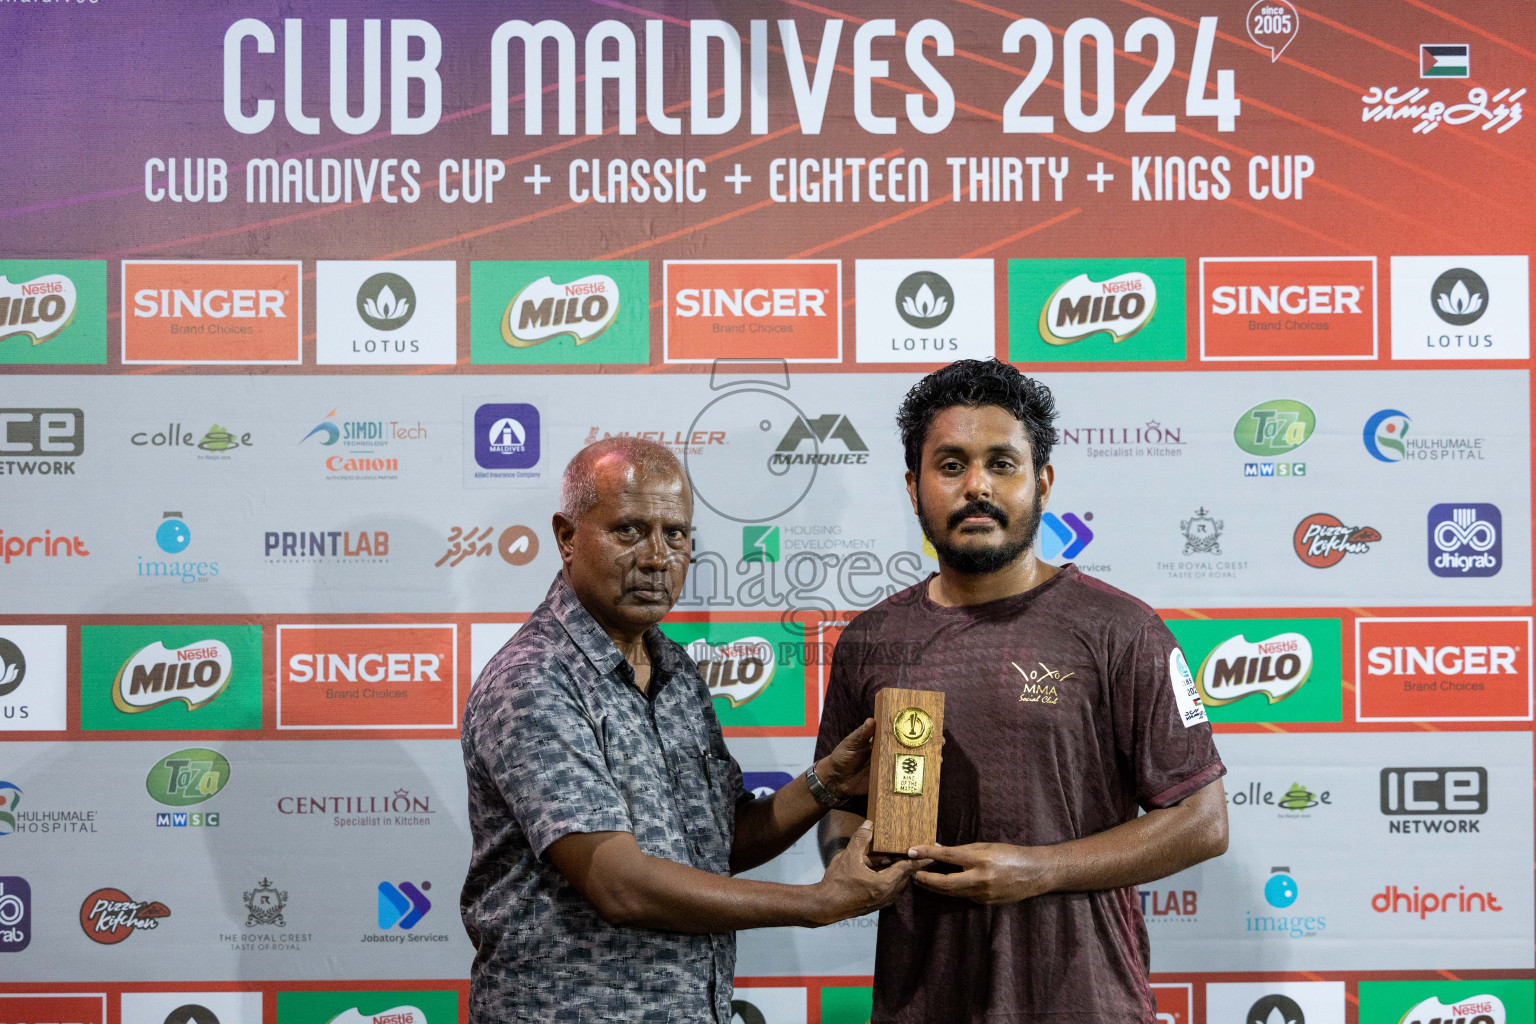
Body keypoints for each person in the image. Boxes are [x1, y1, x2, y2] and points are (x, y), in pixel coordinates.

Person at [816, 359, 1229, 1023]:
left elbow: (1202, 824)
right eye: (950, 465)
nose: (976, 485)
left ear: (1042, 481)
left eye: (1001, 463)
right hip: (922, 1003)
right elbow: (841, 800)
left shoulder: (1122, 630)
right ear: (912, 485)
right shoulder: (871, 639)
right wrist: (848, 859)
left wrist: (1041, 869)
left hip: (1084, 1001)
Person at [461, 437, 919, 1024]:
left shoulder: (675, 670)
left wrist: (826, 782)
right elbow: (619, 883)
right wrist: (817, 904)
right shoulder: (534, 679)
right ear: (567, 536)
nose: (657, 558)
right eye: (629, 531)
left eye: (675, 535)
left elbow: (717, 843)